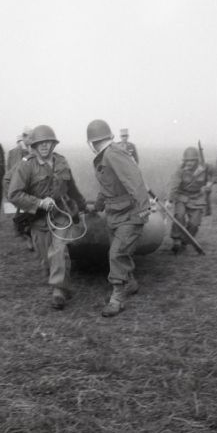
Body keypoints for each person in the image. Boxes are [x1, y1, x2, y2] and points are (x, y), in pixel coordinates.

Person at [8, 125, 87, 310]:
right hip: (37, 218)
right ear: (34, 146)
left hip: (61, 214)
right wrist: (39, 203)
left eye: (48, 142)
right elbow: (14, 194)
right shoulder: (26, 165)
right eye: (40, 143)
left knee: (58, 250)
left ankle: (58, 290)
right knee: (46, 256)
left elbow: (72, 188)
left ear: (53, 144)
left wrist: (82, 207)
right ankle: (62, 283)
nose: (44, 146)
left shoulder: (62, 162)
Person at [87, 119, 150, 317]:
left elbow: (134, 179)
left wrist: (144, 208)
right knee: (120, 252)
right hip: (115, 214)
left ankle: (117, 299)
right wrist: (97, 206)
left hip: (130, 214)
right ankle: (130, 283)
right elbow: (107, 187)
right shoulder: (105, 155)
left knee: (116, 254)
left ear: (92, 142)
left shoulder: (113, 154)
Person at [167, 146, 215, 253]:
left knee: (194, 224)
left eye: (192, 160)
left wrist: (210, 183)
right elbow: (174, 185)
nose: (189, 163)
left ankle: (185, 241)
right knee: (179, 216)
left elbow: (215, 174)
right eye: (187, 160)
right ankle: (176, 240)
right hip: (182, 196)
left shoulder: (205, 167)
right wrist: (170, 200)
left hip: (197, 198)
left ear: (197, 160)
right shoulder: (180, 170)